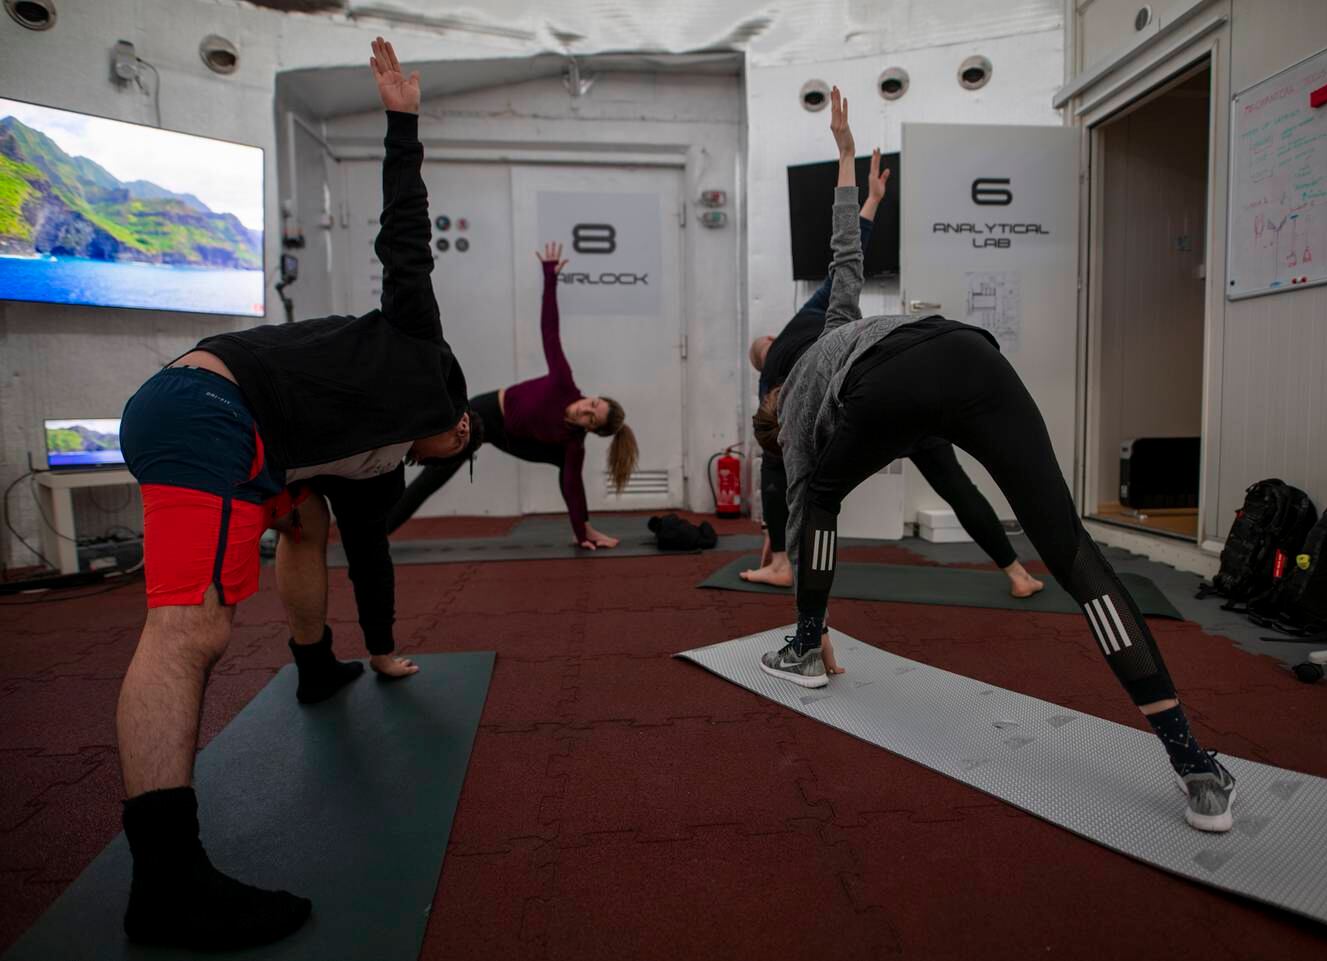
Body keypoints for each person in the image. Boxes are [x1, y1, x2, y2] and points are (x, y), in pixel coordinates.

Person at [752, 87, 1236, 834]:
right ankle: (1192, 760)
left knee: (820, 497)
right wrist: (846, 156)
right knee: (1073, 551)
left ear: (774, 415)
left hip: (890, 385)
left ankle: (805, 649)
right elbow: (846, 248)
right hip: (967, 353)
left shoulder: (796, 425)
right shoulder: (836, 326)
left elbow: (801, 512)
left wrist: (807, 612)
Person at [114, 38, 475, 949]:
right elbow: (405, 237)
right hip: (207, 408)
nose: (462, 443)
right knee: (186, 627)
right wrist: (403, 120)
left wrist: (376, 646)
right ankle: (165, 879)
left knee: (305, 530)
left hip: (229, 429)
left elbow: (371, 537)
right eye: (461, 434)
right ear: (446, 406)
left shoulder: (374, 453)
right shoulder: (418, 360)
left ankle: (316, 666)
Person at [745, 152, 1043, 599]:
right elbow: (848, 253)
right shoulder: (816, 322)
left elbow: (785, 473)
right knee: (955, 484)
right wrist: (866, 191)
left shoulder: (775, 388)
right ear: (771, 337)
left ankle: (786, 571)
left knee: (807, 489)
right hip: (900, 385)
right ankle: (1018, 573)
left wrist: (781, 540)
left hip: (874, 410)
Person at [385, 242, 639, 549]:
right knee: (431, 479)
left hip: (512, 436)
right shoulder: (564, 384)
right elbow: (550, 330)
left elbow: (572, 486)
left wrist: (581, 531)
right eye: (593, 404)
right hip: (484, 413)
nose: (584, 409)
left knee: (568, 465)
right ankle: (377, 532)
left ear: (590, 429)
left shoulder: (574, 442)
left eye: (590, 418)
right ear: (594, 397)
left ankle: (582, 530)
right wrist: (550, 277)